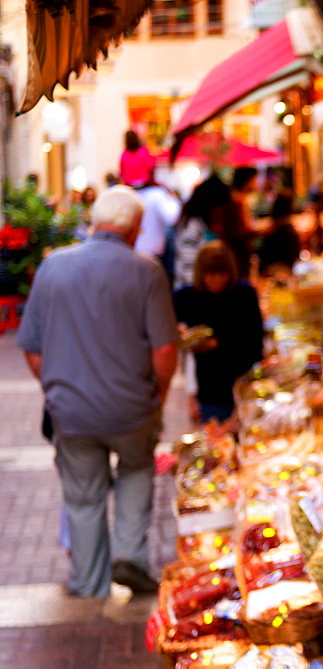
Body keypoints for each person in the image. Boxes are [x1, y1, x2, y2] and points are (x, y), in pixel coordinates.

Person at [16, 185, 179, 598]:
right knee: (137, 471)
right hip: (131, 407)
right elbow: (164, 349)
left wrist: (57, 388)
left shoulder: (53, 267)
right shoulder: (147, 271)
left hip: (71, 411)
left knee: (83, 499)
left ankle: (89, 583)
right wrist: (157, 397)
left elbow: (33, 349)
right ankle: (129, 556)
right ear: (135, 227)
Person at [173, 241, 264, 424]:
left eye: (222, 274)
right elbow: (169, 328)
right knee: (218, 442)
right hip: (211, 387)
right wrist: (182, 336)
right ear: (201, 273)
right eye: (211, 274)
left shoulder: (244, 294)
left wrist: (216, 344)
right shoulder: (186, 298)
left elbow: (255, 342)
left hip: (245, 380)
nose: (217, 279)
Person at [173, 175, 232, 291]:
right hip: (192, 295)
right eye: (220, 207)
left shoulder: (202, 224)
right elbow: (188, 269)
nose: (221, 212)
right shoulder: (192, 226)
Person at [221, 166, 258, 279]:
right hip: (239, 255)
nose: (256, 183)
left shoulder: (240, 200)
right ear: (248, 181)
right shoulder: (237, 202)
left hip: (240, 253)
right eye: (254, 180)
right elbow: (242, 231)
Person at [256, 190, 301, 277]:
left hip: (269, 271)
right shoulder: (288, 230)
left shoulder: (270, 229)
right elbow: (294, 254)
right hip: (283, 272)